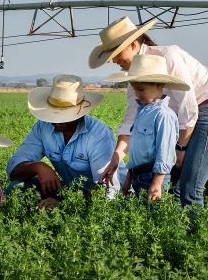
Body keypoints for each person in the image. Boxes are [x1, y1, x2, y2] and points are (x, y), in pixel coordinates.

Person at [91, 16, 208, 207]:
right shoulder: (136, 77)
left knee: (188, 186)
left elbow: (188, 109)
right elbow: (131, 122)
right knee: (173, 185)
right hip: (180, 120)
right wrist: (116, 159)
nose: (114, 60)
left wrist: (180, 151)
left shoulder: (167, 57)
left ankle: (194, 235)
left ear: (133, 44)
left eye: (117, 53)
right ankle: (176, 231)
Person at [7, 74, 122, 208]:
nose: (59, 120)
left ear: (80, 113)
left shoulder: (98, 134)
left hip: (100, 195)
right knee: (16, 188)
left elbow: (108, 190)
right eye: (55, 113)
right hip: (69, 189)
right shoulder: (42, 127)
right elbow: (13, 168)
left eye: (66, 115)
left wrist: (64, 203)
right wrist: (39, 167)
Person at [105, 54, 186, 201]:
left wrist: (157, 183)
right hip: (138, 175)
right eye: (135, 89)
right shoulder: (141, 112)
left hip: (153, 176)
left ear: (159, 85)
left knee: (154, 219)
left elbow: (165, 152)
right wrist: (128, 180)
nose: (137, 94)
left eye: (141, 89)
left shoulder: (163, 115)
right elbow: (136, 151)